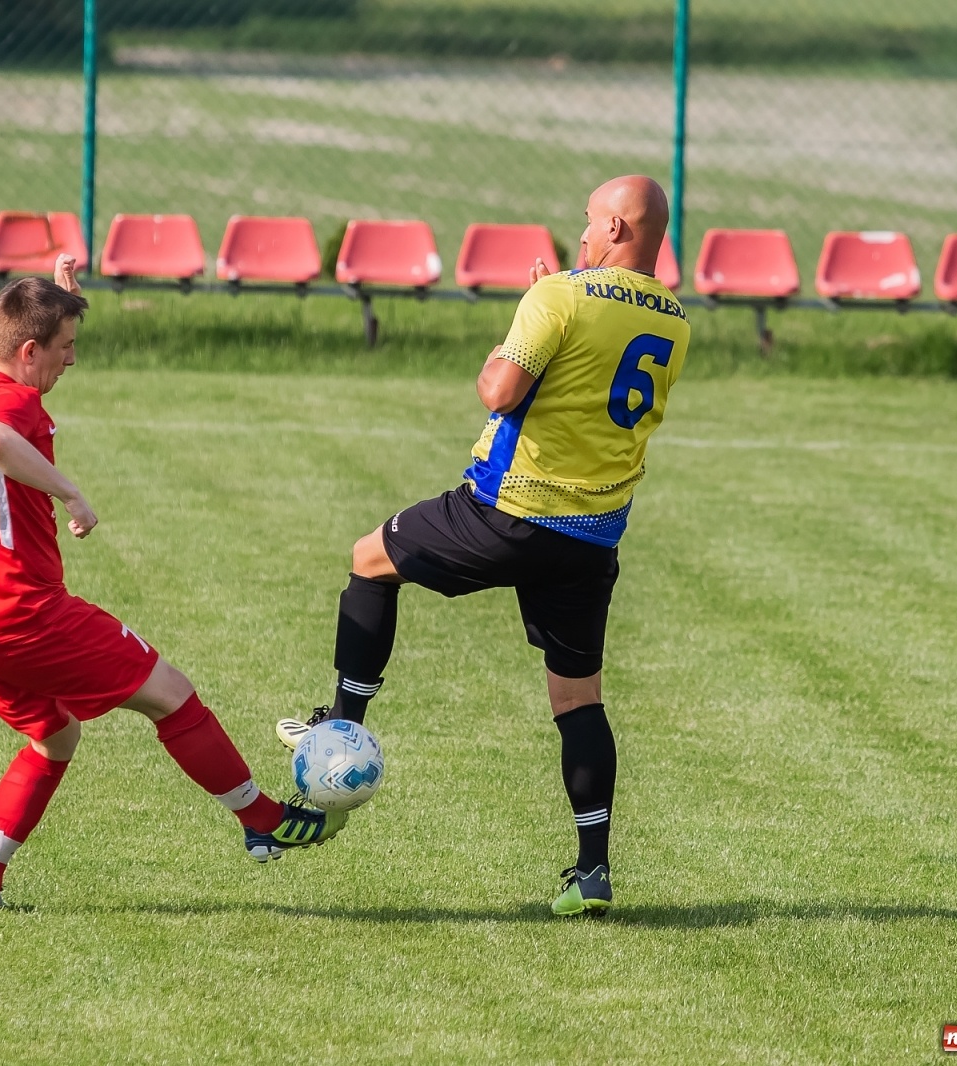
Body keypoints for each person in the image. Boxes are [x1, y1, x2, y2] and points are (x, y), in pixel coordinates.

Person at [276, 176, 689, 917]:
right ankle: (592, 872)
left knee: (369, 557)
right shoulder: (674, 318)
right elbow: (582, 381)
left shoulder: (560, 294)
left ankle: (338, 734)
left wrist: (529, 315)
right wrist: (554, 306)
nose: (583, 233)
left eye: (591, 221)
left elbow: (499, 391)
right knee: (577, 697)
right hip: (591, 537)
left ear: (620, 229)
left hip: (510, 511)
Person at [0, 257, 346, 913]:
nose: (72, 361)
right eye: (65, 348)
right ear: (31, 350)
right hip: (24, 611)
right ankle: (262, 819)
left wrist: (58, 297)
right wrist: (72, 494)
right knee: (172, 695)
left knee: (56, 737)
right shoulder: (6, 404)